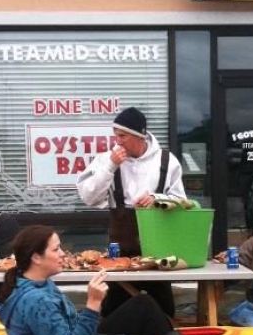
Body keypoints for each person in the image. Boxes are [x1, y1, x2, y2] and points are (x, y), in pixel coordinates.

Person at [0, 225, 178, 335]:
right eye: (56, 249)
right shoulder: (37, 301)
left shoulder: (26, 281)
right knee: (146, 309)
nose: (63, 254)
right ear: (36, 257)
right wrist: (92, 304)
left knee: (142, 304)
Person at [76, 106, 186, 317]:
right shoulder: (105, 159)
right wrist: (110, 167)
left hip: (158, 252)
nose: (117, 141)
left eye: (122, 136)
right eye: (115, 135)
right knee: (114, 313)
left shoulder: (167, 160)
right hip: (119, 254)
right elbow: (88, 196)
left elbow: (183, 203)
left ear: (139, 136)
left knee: (162, 312)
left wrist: (158, 199)